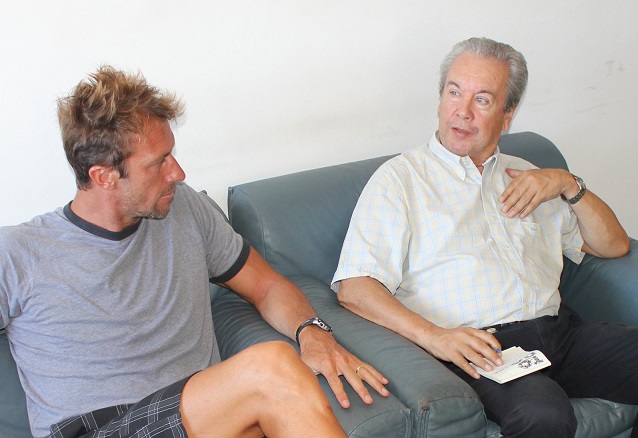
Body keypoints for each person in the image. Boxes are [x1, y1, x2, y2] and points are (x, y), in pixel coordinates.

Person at [0, 65, 390, 438]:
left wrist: (312, 331)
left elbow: (266, 286)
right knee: (270, 367)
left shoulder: (184, 209)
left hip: (205, 417)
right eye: (159, 163)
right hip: (104, 428)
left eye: (172, 154)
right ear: (104, 176)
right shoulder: (19, 253)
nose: (178, 173)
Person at [332, 37, 638, 437]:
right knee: (542, 414)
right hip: (482, 350)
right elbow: (354, 288)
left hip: (561, 334)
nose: (462, 112)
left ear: (507, 115)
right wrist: (435, 338)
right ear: (440, 99)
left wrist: (567, 183)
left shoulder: (529, 175)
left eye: (482, 99)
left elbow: (613, 246)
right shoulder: (400, 180)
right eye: (454, 92)